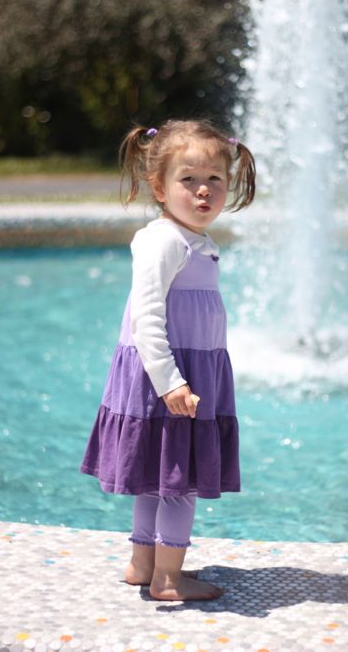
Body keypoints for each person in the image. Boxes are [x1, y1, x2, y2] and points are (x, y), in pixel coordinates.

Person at [80, 119, 256, 601]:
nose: (204, 191)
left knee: (158, 479)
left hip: (183, 372)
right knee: (180, 481)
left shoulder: (193, 240)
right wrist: (170, 382)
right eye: (188, 180)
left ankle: (142, 564)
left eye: (215, 180)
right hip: (170, 376)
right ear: (159, 187)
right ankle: (169, 579)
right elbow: (146, 318)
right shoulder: (163, 241)